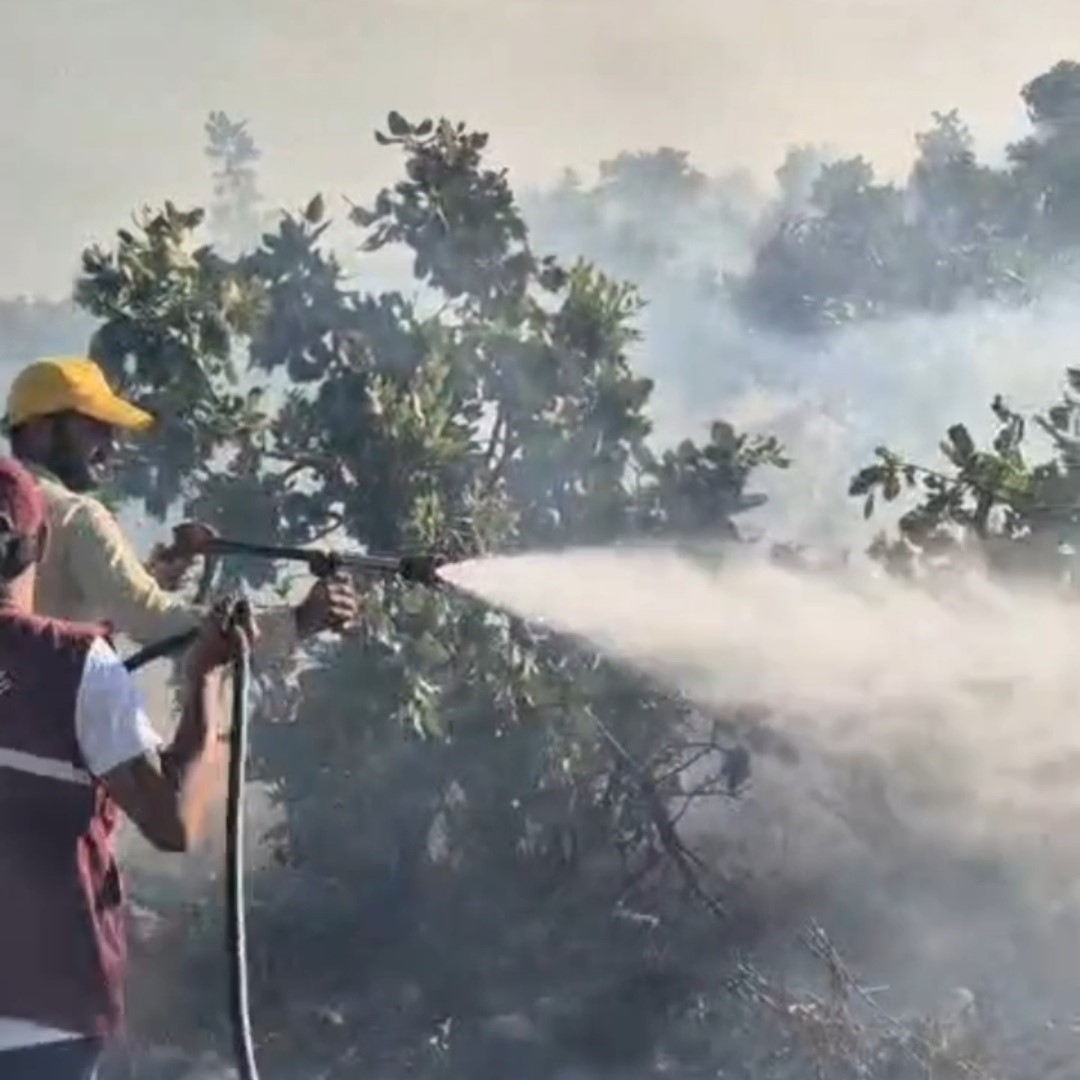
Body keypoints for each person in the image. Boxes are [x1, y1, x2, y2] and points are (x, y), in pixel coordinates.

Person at [0, 456, 252, 1078]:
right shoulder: (76, 664)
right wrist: (205, 680)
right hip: (45, 1019)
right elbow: (173, 822)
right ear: (42, 543)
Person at [3, 356, 357, 657]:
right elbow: (152, 620)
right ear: (39, 429)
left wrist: (155, 573)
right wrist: (297, 621)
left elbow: (58, 603)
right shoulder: (76, 516)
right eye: (95, 427)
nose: (110, 446)